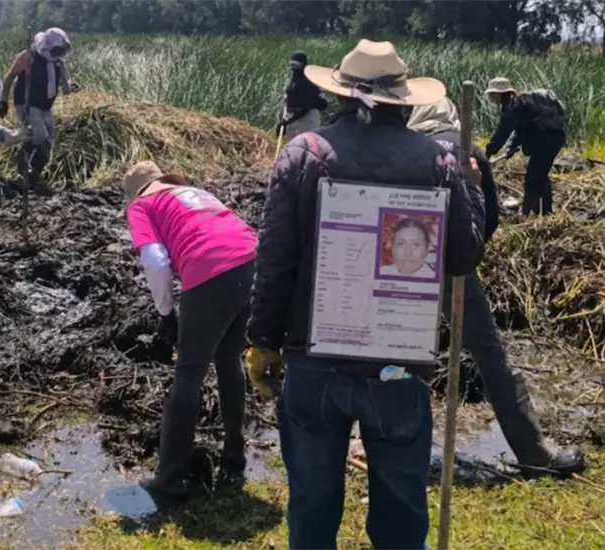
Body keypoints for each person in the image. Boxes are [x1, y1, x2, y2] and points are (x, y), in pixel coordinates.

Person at [245, 40, 486, 550]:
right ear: (402, 101)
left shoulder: (304, 154)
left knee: (312, 503)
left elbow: (275, 263)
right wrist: (475, 191)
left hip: (315, 363)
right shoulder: (439, 164)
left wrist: (263, 340)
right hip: (398, 365)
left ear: (343, 96)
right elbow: (464, 259)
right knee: (401, 510)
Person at [408, 96, 585, 477]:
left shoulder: (406, 149)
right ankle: (535, 454)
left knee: (402, 354)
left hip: (402, 268)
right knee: (489, 356)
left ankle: (391, 447)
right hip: (456, 268)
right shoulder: (467, 149)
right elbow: (488, 221)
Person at [122, 161, 258, 500]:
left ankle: (170, 479)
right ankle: (234, 457)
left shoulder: (143, 206)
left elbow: (155, 261)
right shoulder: (196, 193)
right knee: (229, 357)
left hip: (211, 270)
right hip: (252, 260)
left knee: (189, 372)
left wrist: (166, 313)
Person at [0, 27, 75, 185]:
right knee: (39, 135)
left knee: (51, 138)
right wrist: (3, 100)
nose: (58, 54)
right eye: (56, 50)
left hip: (45, 105)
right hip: (27, 103)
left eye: (61, 51)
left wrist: (69, 84)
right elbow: (10, 77)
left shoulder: (58, 63)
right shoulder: (29, 56)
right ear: (48, 46)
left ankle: (33, 173)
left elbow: (66, 85)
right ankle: (23, 165)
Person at [484, 77, 567, 216]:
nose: (491, 97)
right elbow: (521, 128)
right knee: (539, 175)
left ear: (501, 93)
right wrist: (512, 146)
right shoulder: (521, 102)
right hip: (554, 138)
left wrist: (488, 152)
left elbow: (502, 132)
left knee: (533, 178)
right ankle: (545, 212)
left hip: (546, 141)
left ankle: (529, 213)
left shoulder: (514, 106)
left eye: (493, 94)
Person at [279, 51, 328, 140]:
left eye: (296, 65)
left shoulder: (309, 81)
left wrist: (289, 121)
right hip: (293, 117)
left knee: (307, 146)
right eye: (292, 65)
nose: (294, 68)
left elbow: (307, 105)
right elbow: (291, 92)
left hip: (307, 118)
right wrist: (288, 97)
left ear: (303, 65)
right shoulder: (295, 78)